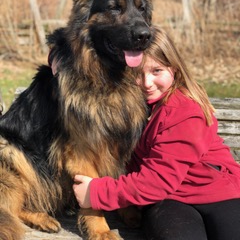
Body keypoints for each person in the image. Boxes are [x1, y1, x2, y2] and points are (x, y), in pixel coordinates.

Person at [73, 28, 240, 240]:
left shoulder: (186, 111)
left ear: (175, 69)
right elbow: (84, 59)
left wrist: (97, 193)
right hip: (168, 201)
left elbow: (158, 179)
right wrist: (58, 56)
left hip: (218, 193)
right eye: (136, 73)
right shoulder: (128, 107)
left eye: (157, 71)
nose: (146, 83)